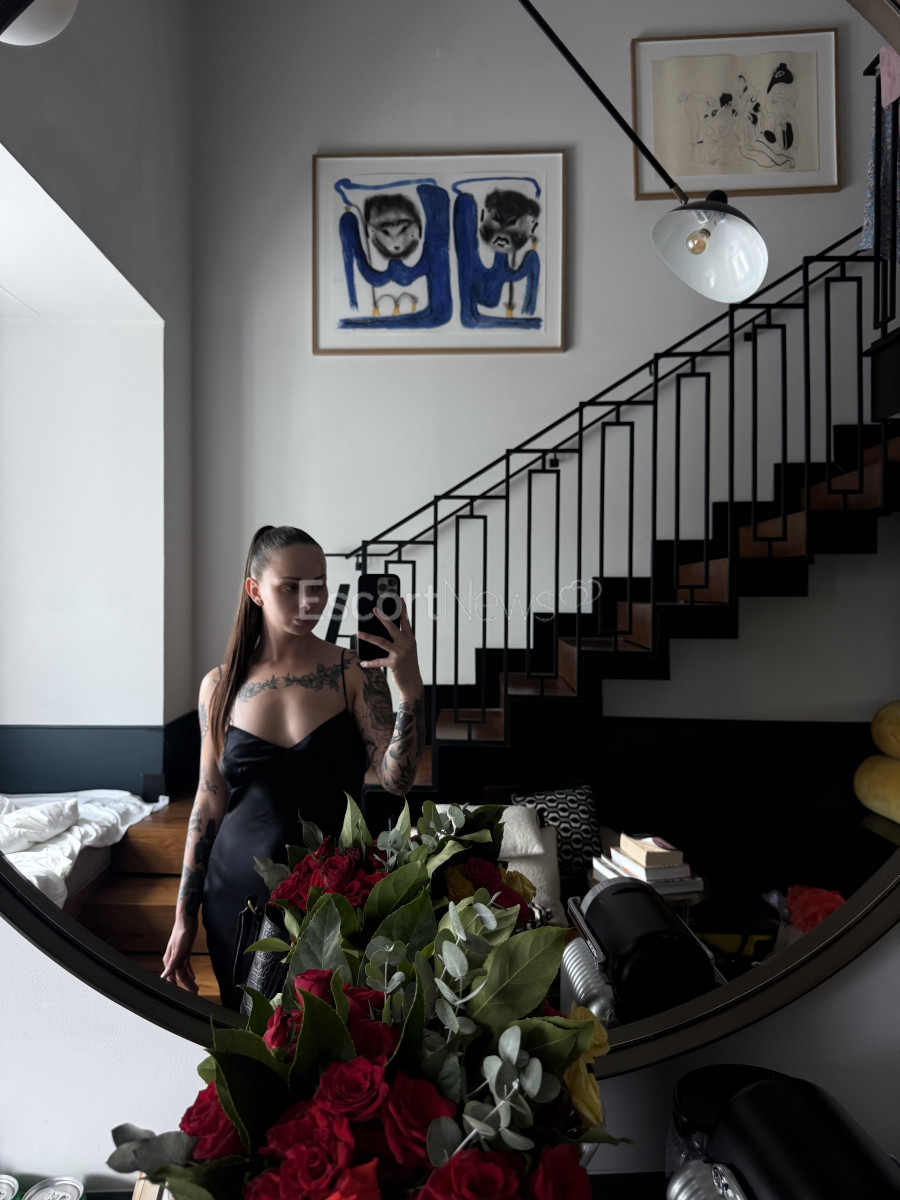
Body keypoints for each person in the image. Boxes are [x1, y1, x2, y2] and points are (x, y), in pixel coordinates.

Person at [160, 524, 425, 1010]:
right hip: (236, 893)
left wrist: (409, 692)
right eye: (290, 587)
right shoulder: (218, 685)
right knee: (247, 1027)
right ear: (255, 590)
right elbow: (208, 800)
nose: (309, 601)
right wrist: (183, 917)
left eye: (318, 585)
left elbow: (398, 780)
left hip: (332, 891)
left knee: (328, 1027)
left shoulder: (351, 673)